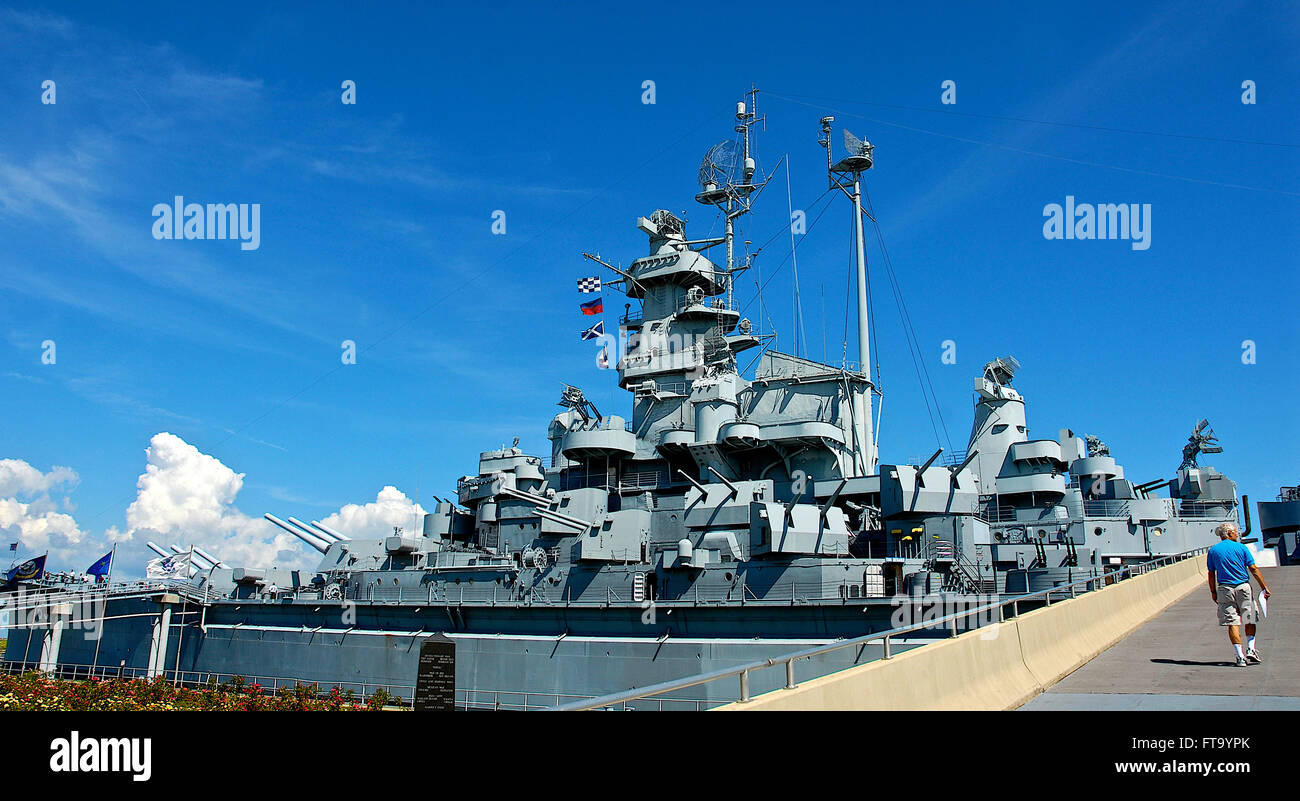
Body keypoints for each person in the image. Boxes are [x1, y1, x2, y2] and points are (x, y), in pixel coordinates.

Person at [1206, 522, 1272, 667]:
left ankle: (1240, 656)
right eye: (1235, 532)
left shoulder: (1213, 551)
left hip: (1224, 589)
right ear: (1229, 533)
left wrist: (1213, 592)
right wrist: (1264, 587)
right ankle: (1251, 649)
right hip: (1243, 587)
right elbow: (1253, 568)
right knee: (1250, 617)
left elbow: (1211, 574)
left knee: (1233, 622)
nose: (1237, 534)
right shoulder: (1242, 548)